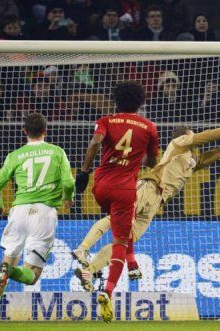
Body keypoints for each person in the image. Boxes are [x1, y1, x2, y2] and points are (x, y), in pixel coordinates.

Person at [72, 121, 220, 292]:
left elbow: (216, 153)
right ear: (183, 136)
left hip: (157, 203)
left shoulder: (191, 161)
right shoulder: (178, 144)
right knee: (116, 220)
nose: (193, 140)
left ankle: (88, 270)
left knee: (127, 239)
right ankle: (83, 248)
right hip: (149, 187)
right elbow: (208, 136)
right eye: (191, 135)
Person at [74, 81, 160, 323]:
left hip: (100, 186)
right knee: (120, 240)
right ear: (141, 101)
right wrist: (136, 159)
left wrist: (83, 172)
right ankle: (108, 292)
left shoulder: (106, 121)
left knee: (115, 220)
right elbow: (154, 161)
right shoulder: (149, 127)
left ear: (116, 100)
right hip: (125, 189)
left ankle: (88, 250)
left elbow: (94, 143)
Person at [0, 113, 75, 326]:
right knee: (32, 276)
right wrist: (69, 198)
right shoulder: (57, 152)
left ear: (25, 132)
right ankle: (10, 271)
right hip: (44, 214)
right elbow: (68, 183)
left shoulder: (15, 155)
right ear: (45, 131)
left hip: (18, 212)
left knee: (6, 261)